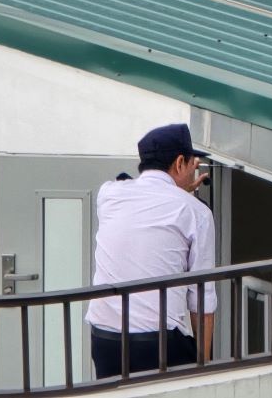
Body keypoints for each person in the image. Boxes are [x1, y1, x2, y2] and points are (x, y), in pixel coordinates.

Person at [86, 123, 216, 378]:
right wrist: (204, 366)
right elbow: (202, 297)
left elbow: (148, 201)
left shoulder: (108, 194)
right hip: (158, 344)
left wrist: (177, 191)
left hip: (106, 339)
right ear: (180, 163)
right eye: (193, 164)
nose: (194, 170)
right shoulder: (196, 212)